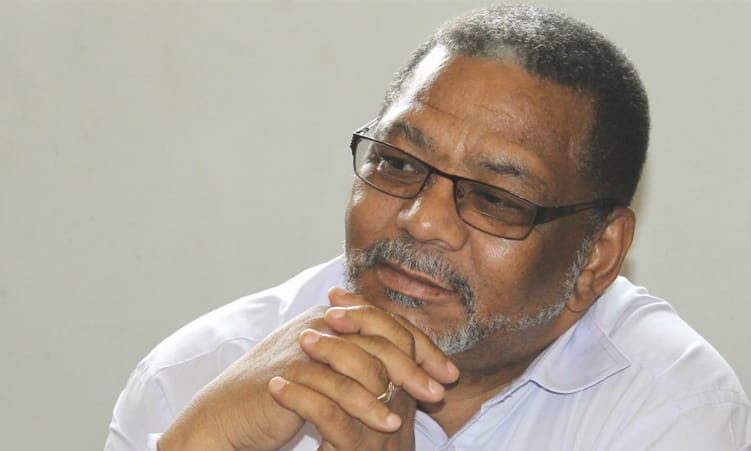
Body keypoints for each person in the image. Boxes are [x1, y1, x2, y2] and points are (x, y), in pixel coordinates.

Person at [105, 4, 750, 451]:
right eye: (398, 163)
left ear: (597, 256)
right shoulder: (199, 373)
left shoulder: (668, 407)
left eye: (495, 198)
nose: (422, 220)